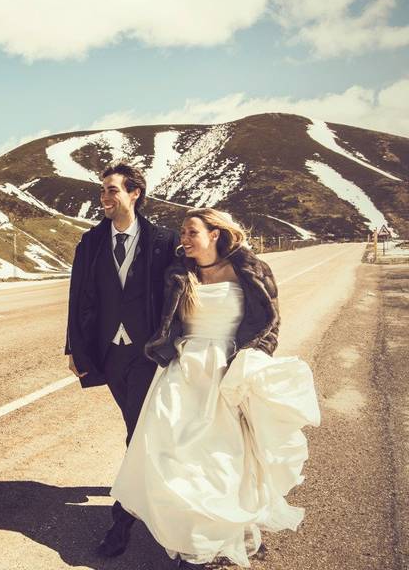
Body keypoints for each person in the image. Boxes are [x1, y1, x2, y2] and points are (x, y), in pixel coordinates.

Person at [111, 208, 321, 568]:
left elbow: (270, 324)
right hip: (183, 369)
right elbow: (163, 319)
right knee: (173, 453)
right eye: (182, 233)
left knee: (221, 458)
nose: (185, 239)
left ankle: (217, 537)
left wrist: (251, 361)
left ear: (215, 233)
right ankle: (189, 537)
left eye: (192, 232)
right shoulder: (179, 273)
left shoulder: (252, 270)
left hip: (229, 370)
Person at [65, 161, 179, 558]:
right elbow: (78, 295)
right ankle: (150, 499)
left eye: (113, 190)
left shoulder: (164, 241)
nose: (105, 197)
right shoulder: (91, 242)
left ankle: (123, 522)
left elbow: (180, 297)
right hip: (110, 353)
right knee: (138, 428)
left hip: (149, 354)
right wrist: (74, 348)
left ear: (135, 194)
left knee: (139, 431)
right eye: (102, 191)